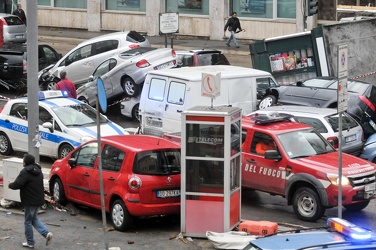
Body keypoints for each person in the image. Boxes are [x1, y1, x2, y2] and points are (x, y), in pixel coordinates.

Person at [8, 154, 53, 248]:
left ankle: (30, 242)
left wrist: (10, 185)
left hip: (29, 200)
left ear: (26, 162)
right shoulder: (38, 170)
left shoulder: (25, 172)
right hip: (39, 199)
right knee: (34, 219)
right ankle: (46, 233)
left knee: (28, 221)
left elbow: (17, 184)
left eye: (23, 160)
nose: (23, 162)